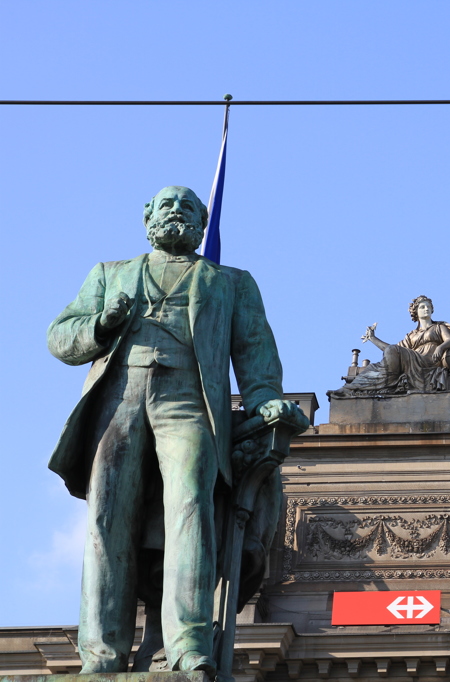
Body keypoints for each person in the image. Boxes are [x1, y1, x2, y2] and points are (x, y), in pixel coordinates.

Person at [47, 186, 304, 675]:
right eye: (165, 205)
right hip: (119, 400)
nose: (175, 212)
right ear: (147, 217)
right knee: (107, 519)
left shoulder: (230, 282)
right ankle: (101, 653)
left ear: (202, 223)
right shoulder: (110, 274)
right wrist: (102, 324)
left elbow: (254, 350)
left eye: (187, 207)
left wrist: (263, 397)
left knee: (191, 507)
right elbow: (61, 337)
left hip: (189, 401)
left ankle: (188, 646)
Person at [330, 295, 450, 397]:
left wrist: (440, 347)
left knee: (388, 361)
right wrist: (373, 338)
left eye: (428, 307)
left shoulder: (438, 327)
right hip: (413, 360)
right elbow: (391, 351)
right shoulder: (411, 335)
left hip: (428, 361)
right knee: (373, 368)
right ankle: (351, 388)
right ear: (416, 312)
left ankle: (387, 380)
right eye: (422, 307)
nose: (426, 309)